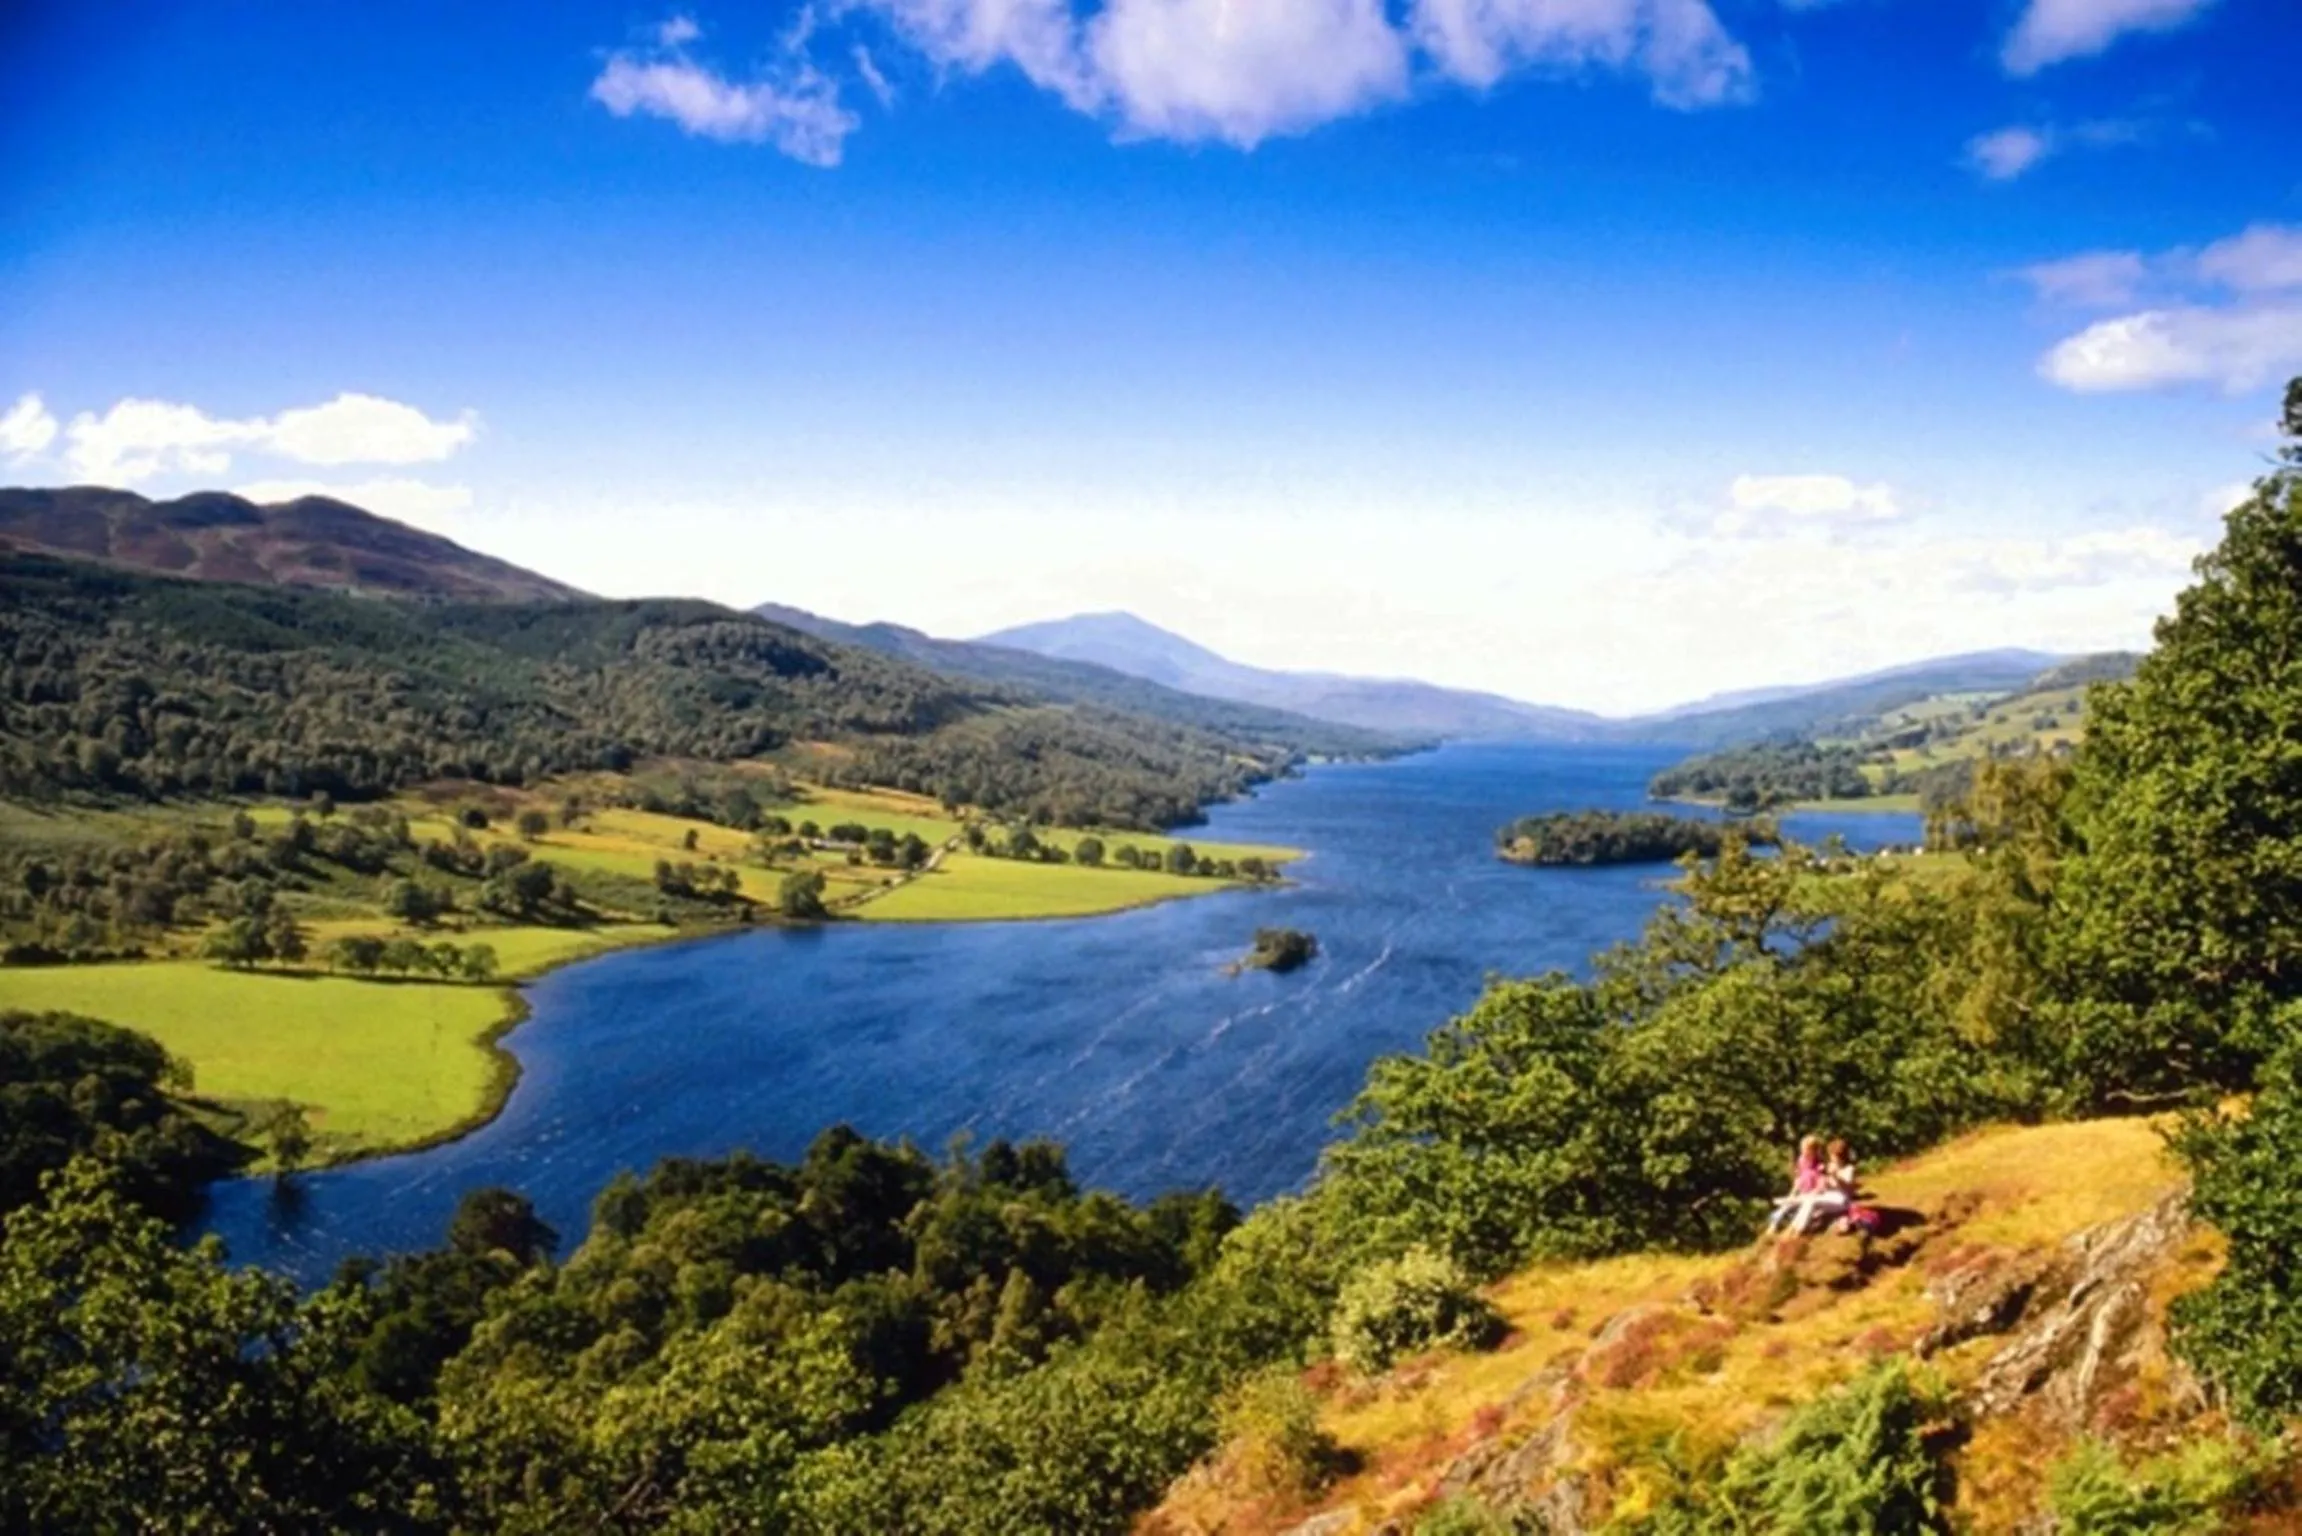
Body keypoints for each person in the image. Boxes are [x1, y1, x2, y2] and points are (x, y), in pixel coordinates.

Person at [1764, 1136, 1825, 1233]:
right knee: (1786, 1205)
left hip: (1812, 1195)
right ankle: (1773, 1225)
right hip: (1802, 1192)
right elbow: (1799, 1179)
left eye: (1806, 1150)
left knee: (1806, 1209)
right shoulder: (1801, 1161)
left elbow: (1821, 1185)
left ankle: (1796, 1228)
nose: (1803, 1152)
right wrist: (1793, 1192)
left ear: (1814, 1151)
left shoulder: (1819, 1165)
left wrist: (1815, 1192)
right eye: (1802, 1149)